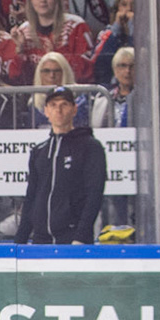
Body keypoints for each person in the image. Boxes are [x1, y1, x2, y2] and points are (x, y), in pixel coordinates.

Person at [16, 85, 103, 244]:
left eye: (64, 104)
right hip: (41, 239)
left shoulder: (90, 147)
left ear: (74, 109)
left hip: (72, 238)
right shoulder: (39, 151)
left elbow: (94, 194)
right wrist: (20, 241)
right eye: (54, 105)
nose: (59, 110)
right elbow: (31, 197)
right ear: (46, 111)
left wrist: (81, 236)